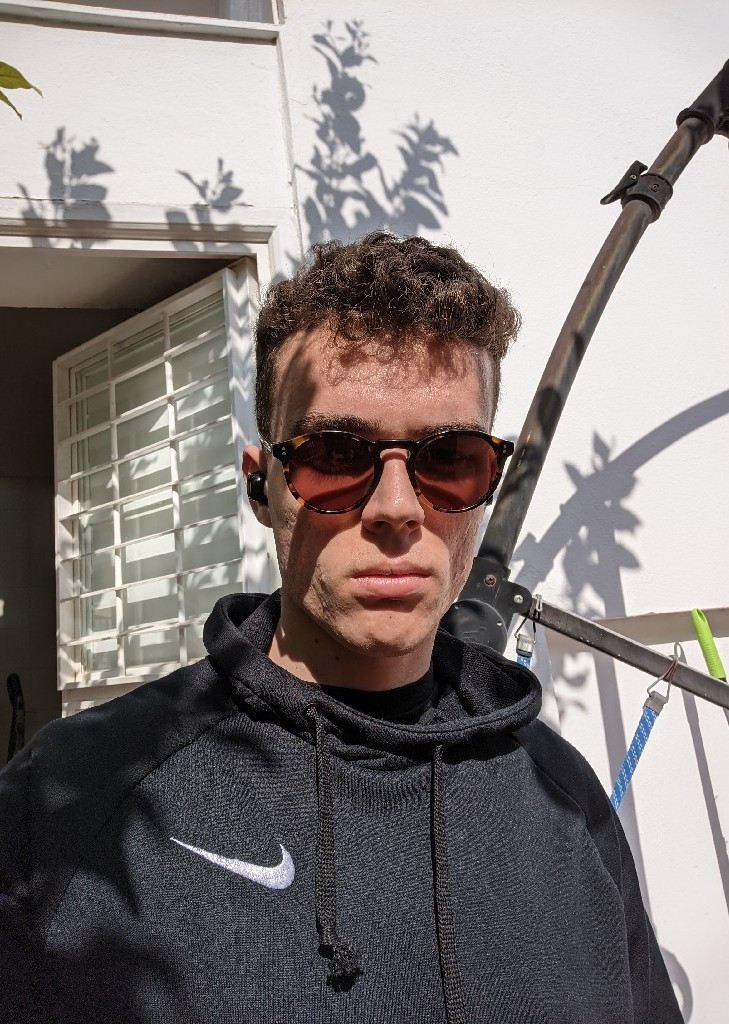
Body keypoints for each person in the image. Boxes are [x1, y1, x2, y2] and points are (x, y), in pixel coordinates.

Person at [0, 232, 681, 1023]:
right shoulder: (71, 798)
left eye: (448, 458)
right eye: (334, 454)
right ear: (262, 487)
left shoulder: (558, 792)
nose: (395, 509)